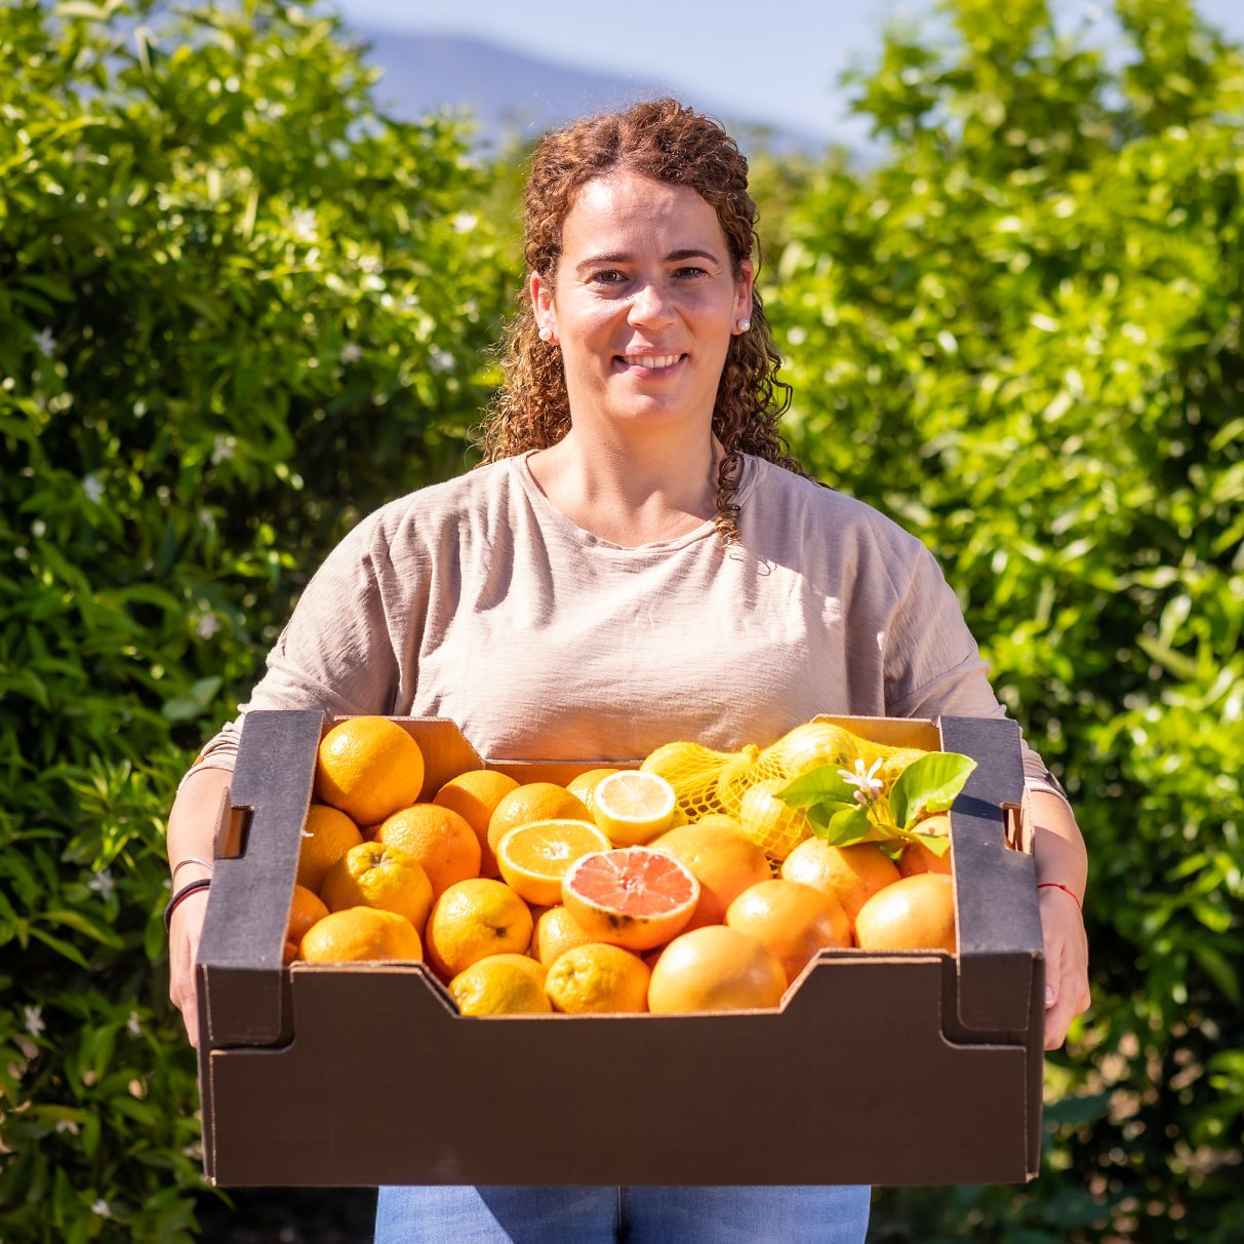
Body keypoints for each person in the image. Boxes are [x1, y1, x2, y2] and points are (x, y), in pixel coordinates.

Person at [165, 97, 1090, 1243]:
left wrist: (1052, 897)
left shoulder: (855, 558)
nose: (650, 308)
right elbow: (244, 763)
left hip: (777, 1121)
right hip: (473, 1114)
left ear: (741, 296)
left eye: (688, 270)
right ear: (543, 303)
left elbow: (1002, 774)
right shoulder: (422, 546)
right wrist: (202, 891)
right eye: (608, 275)